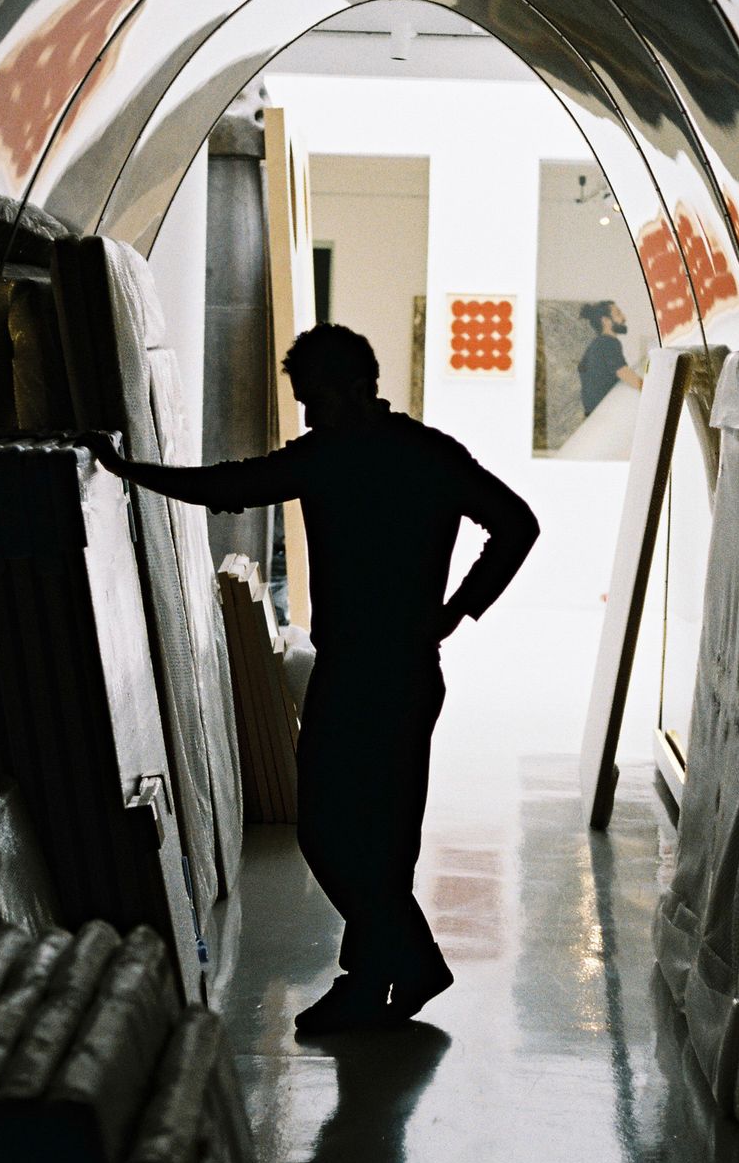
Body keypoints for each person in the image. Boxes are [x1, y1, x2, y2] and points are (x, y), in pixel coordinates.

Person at [80, 323, 539, 1034]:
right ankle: (387, 972)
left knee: (329, 830)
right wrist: (454, 614)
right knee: (379, 837)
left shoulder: (332, 458)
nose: (310, 417)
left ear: (358, 388)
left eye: (316, 401)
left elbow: (227, 486)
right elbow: (516, 525)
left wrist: (129, 471)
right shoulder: (426, 454)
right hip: (408, 672)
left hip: (363, 673)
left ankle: (393, 969)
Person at [577, 300, 642, 415]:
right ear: (606, 321)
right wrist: (653, 390)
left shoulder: (597, 343)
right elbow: (625, 373)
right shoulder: (608, 343)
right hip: (602, 416)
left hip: (594, 415)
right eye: (618, 314)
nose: (624, 317)